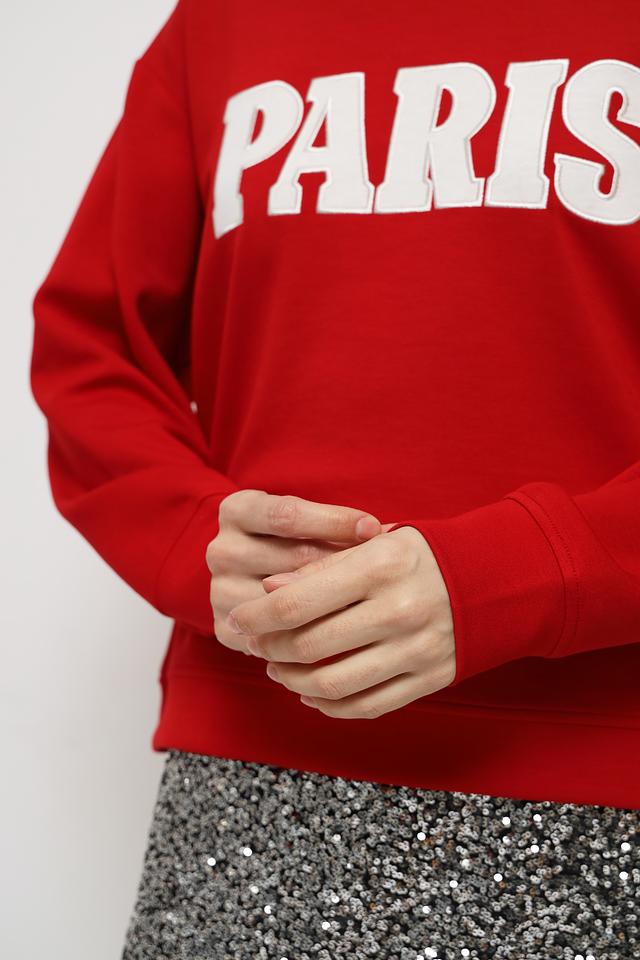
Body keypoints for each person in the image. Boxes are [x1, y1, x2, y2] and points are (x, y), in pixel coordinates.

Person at [30, 2, 640, 957]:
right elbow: (89, 349)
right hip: (248, 792)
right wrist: (198, 537)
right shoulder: (223, 25)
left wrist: (523, 572)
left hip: (605, 798)